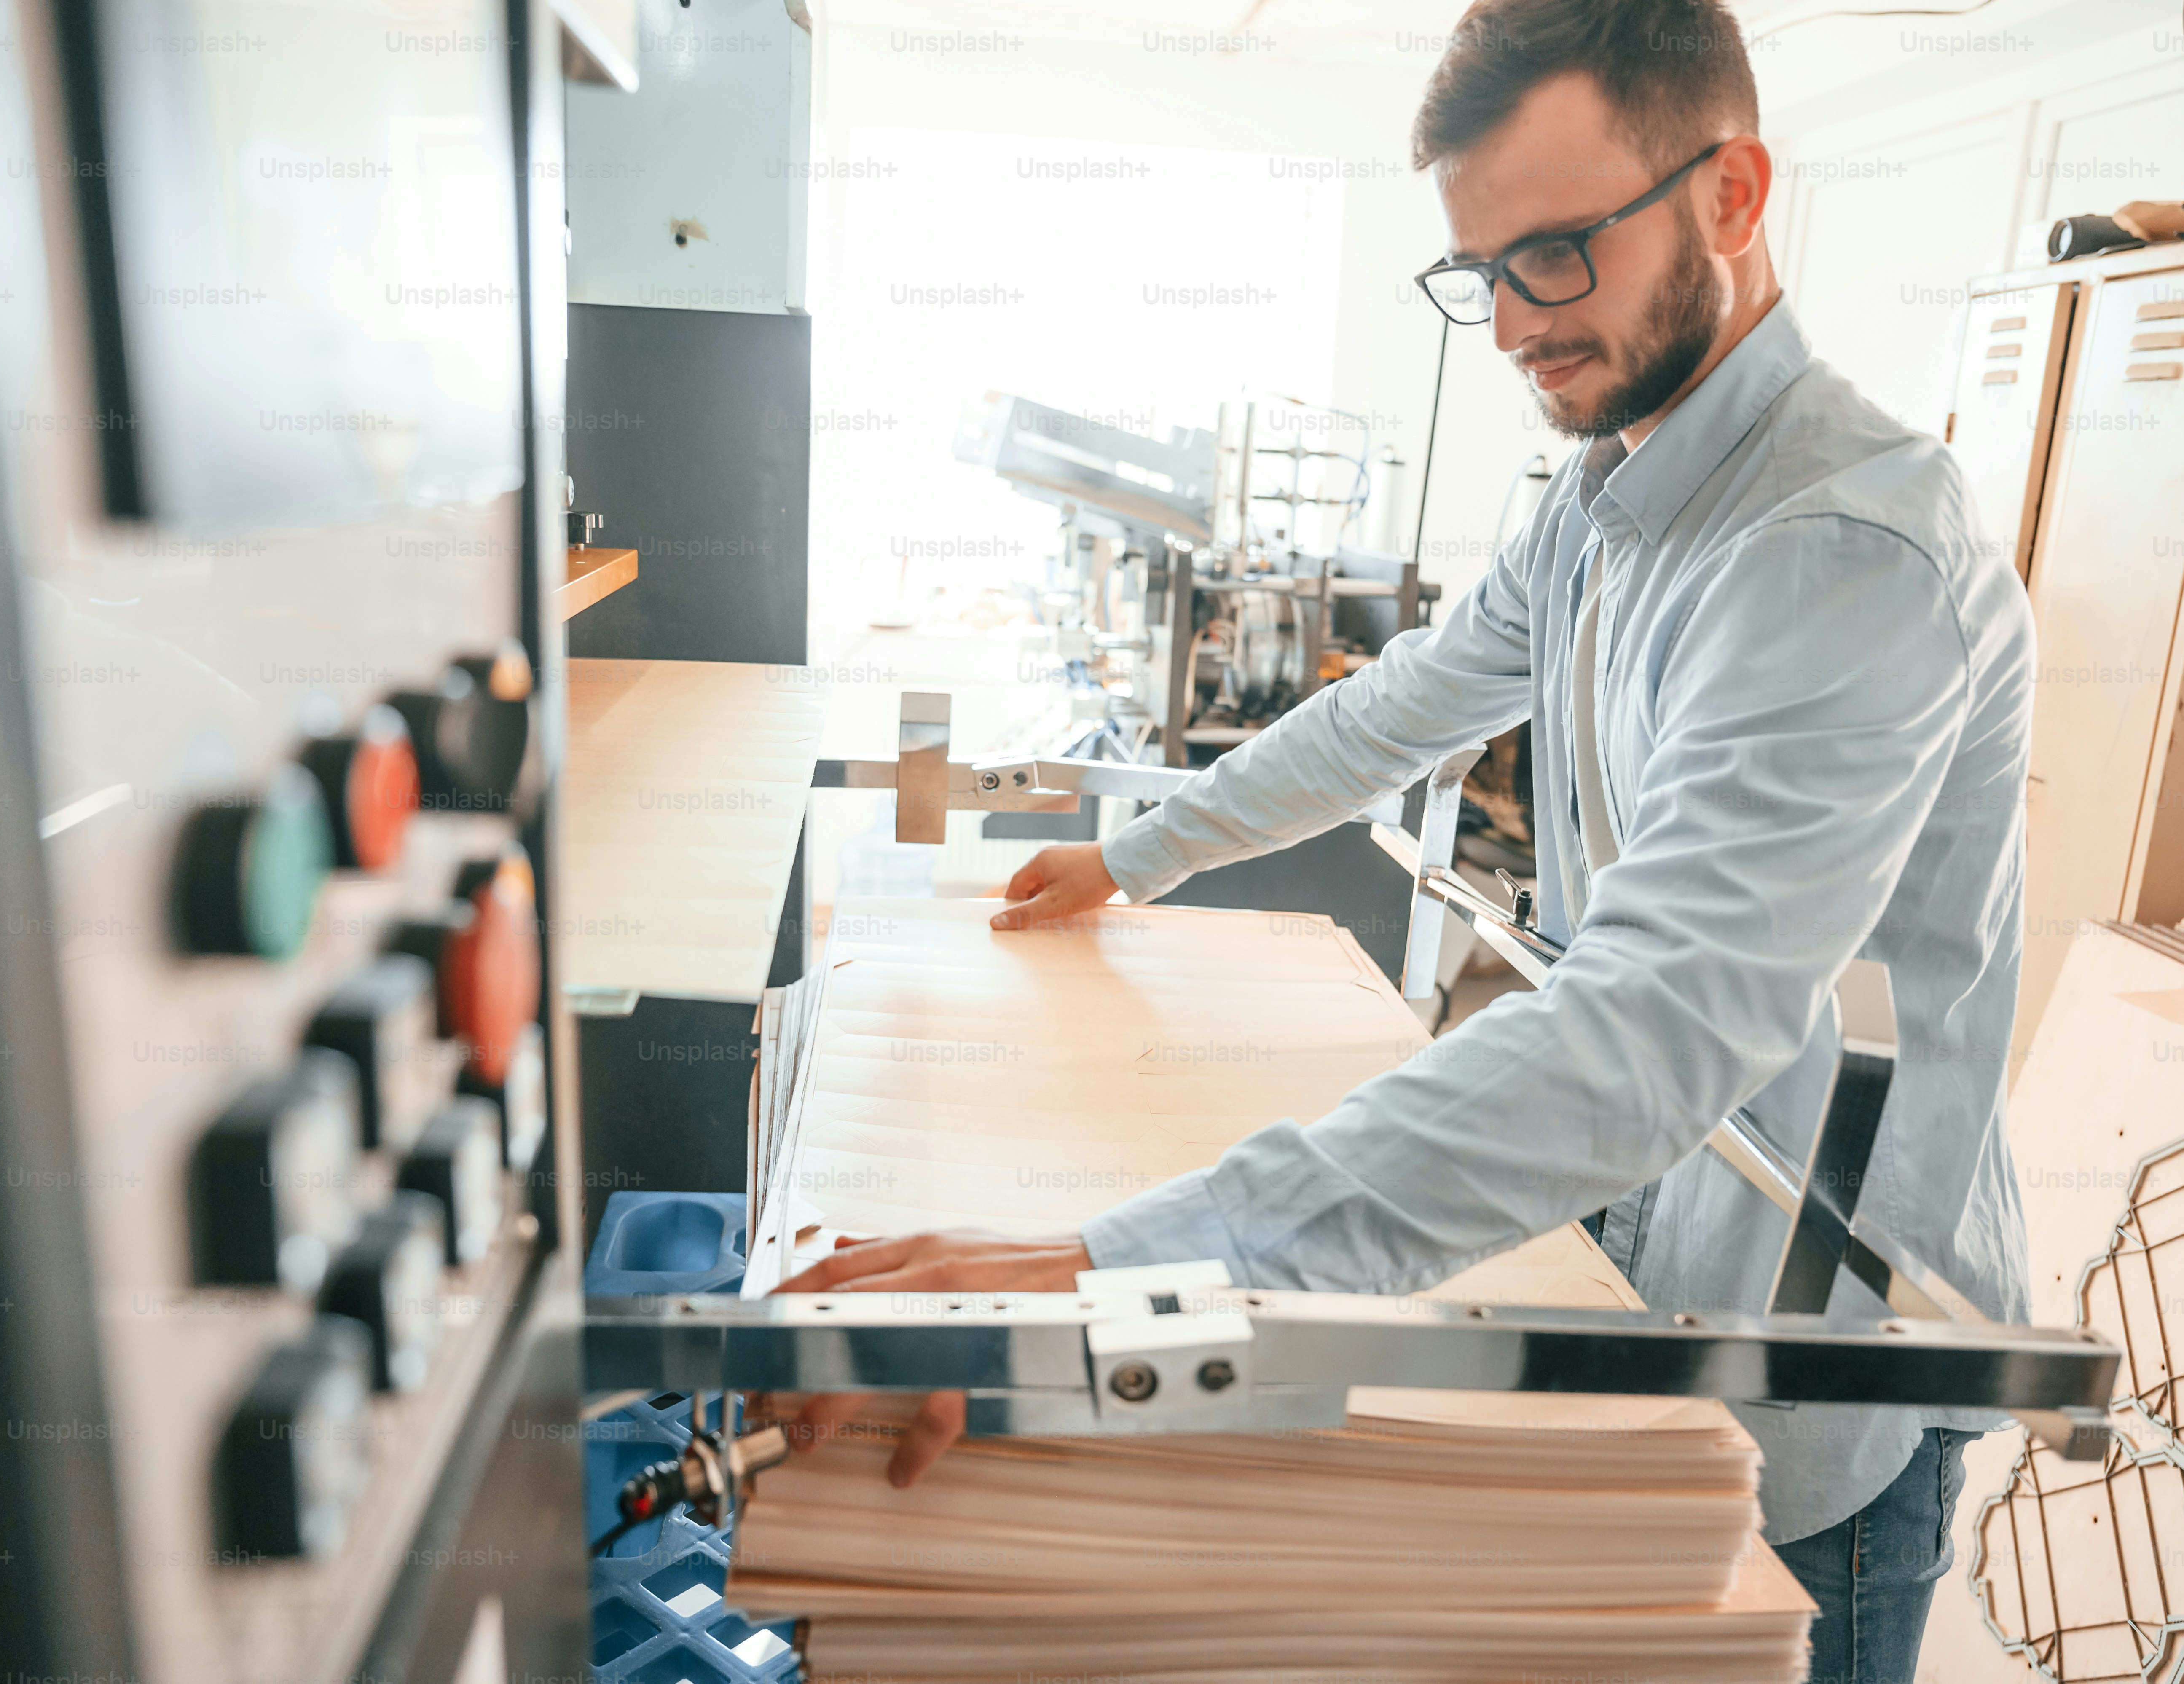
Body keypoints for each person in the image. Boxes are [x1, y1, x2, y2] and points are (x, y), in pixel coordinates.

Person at [781, 1, 2034, 1676]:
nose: (1512, 325)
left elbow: (1650, 1031)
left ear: (1731, 195)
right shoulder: (1602, 495)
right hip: (1653, 1234)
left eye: (1556, 257)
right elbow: (1401, 706)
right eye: (1479, 273)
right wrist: (1137, 855)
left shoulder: (1842, 552)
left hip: (1811, 1312)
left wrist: (1118, 1266)